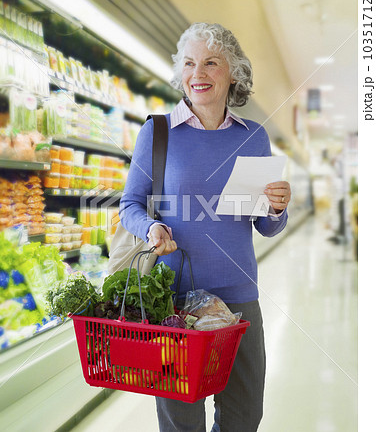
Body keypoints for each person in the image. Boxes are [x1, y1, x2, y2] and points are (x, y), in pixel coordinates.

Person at [119, 22, 291, 432]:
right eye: (190, 63)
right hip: (174, 301)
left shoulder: (253, 137)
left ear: (233, 72)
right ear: (181, 73)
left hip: (239, 298)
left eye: (211, 63)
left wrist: (277, 208)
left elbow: (266, 225)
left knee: (244, 416)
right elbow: (130, 204)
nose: (199, 73)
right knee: (182, 420)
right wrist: (151, 227)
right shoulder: (158, 133)